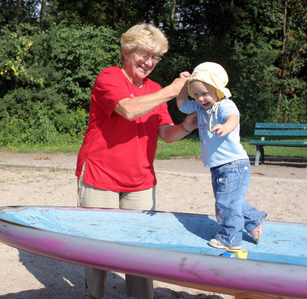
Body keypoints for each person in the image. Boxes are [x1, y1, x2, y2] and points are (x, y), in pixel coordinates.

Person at [75, 23, 197, 299]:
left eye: (155, 57)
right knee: (98, 246)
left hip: (140, 180)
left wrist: (187, 125)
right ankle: (95, 295)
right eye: (144, 54)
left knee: (142, 250)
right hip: (99, 175)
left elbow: (166, 133)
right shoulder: (109, 78)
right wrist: (174, 89)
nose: (150, 62)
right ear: (126, 52)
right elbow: (128, 109)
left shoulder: (154, 89)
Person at [177, 62, 267, 250]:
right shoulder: (200, 108)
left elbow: (233, 118)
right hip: (219, 165)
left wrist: (226, 127)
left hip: (233, 164)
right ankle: (253, 221)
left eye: (205, 93)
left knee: (226, 203)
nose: (201, 98)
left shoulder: (225, 105)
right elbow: (183, 105)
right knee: (230, 201)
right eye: (197, 94)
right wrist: (183, 85)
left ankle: (231, 238)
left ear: (218, 90)